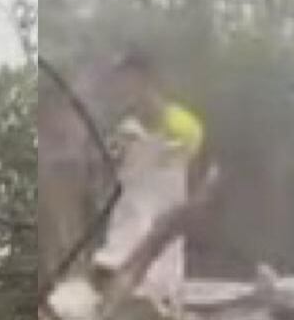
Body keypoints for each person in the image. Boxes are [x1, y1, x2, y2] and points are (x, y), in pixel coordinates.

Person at [90, 49, 211, 300]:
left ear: (148, 81)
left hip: (161, 246)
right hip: (124, 241)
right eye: (120, 84)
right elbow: (107, 186)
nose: (123, 90)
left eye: (129, 82)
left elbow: (196, 184)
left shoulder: (185, 127)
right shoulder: (125, 132)